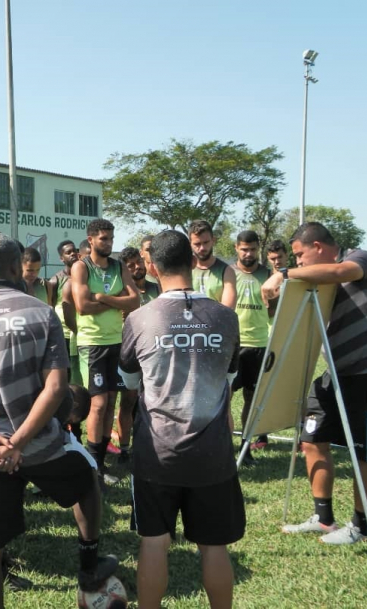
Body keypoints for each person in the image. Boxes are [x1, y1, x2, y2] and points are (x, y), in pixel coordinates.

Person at [0, 232, 118, 609]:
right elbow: (57, 385)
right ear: (16, 266)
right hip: (41, 444)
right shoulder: (39, 312)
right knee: (86, 482)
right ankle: (89, 560)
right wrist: (18, 441)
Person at [119, 229, 244, 609]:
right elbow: (229, 378)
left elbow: (129, 382)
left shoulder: (139, 319)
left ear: (152, 269)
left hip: (157, 453)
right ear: (193, 261)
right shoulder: (226, 318)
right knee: (214, 547)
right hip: (212, 455)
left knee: (154, 543)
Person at [261, 222, 367, 545]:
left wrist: (284, 274)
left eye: (299, 255)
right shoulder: (309, 278)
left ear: (319, 247)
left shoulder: (359, 258)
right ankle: (323, 518)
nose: (298, 263)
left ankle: (361, 526)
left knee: (364, 456)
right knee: (311, 438)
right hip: (335, 374)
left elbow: (342, 273)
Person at [71, 219, 139, 485]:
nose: (109, 243)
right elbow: (82, 306)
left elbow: (135, 300)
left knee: (110, 401)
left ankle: (100, 463)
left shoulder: (119, 266)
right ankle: (93, 466)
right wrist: (115, 301)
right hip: (93, 343)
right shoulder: (81, 267)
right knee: (97, 404)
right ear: (91, 240)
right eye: (103, 239)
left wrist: (103, 298)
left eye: (111, 238)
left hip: (116, 341)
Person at [115, 246, 160, 464]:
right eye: (130, 265)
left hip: (156, 353)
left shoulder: (158, 288)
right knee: (128, 401)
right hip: (131, 353)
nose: (137, 267)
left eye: (138, 262)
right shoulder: (123, 292)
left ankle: (152, 443)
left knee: (153, 399)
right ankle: (124, 449)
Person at [231, 230, 273, 460]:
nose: (249, 253)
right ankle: (222, 446)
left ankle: (245, 448)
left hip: (259, 344)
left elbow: (275, 311)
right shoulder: (229, 273)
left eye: (253, 249)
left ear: (259, 249)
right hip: (234, 344)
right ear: (236, 248)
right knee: (224, 396)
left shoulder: (268, 274)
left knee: (252, 398)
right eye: (244, 249)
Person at [50, 240, 82, 386]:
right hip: (64, 335)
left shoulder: (85, 276)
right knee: (66, 374)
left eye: (74, 250)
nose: (73, 254)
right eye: (68, 252)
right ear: (61, 258)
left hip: (83, 332)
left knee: (80, 373)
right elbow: (50, 306)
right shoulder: (55, 280)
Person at [189, 220, 237, 309]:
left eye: (206, 242)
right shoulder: (184, 270)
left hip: (216, 322)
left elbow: (227, 311)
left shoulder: (226, 271)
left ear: (213, 241)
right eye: (197, 244)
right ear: (190, 244)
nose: (202, 248)